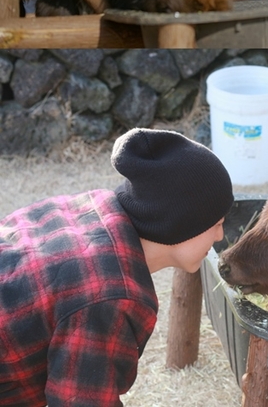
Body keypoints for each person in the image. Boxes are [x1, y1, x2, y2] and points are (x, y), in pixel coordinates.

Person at [0, 128, 234, 407]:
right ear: (185, 224)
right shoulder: (110, 295)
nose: (220, 237)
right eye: (217, 224)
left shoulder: (91, 206)